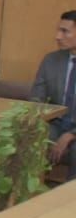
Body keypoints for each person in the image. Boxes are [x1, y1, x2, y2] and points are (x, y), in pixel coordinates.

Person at [29, 10, 76, 180]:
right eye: (58, 30)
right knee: (33, 140)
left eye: (65, 31)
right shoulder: (51, 60)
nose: (58, 36)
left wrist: (71, 134)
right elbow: (36, 99)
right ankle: (32, 192)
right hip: (54, 123)